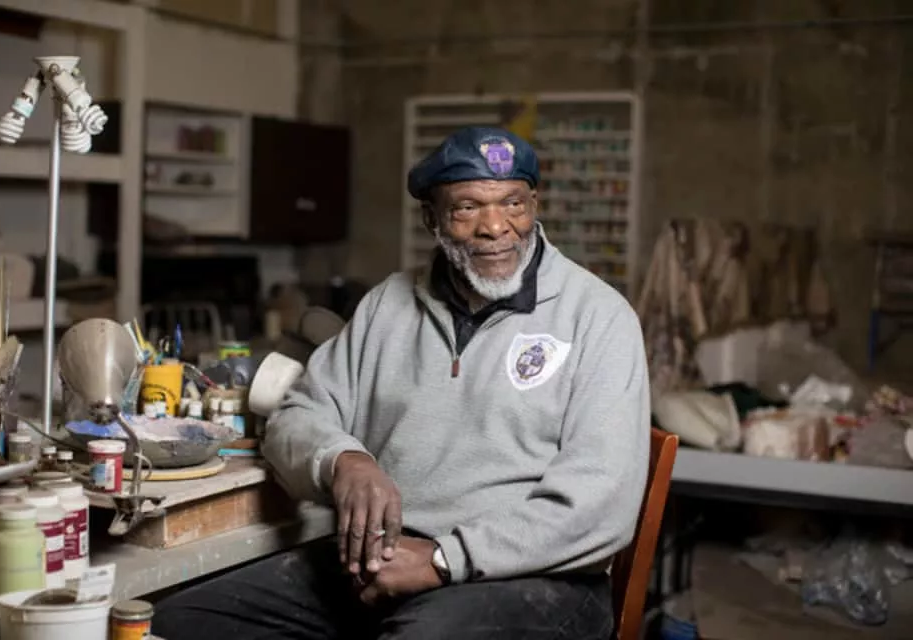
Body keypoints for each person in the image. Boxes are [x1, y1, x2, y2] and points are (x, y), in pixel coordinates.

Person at [152, 126, 650, 640]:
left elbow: (601, 505)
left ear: (534, 205)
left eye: (513, 204)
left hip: (533, 576)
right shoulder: (387, 305)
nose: (495, 227)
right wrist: (344, 461)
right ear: (431, 218)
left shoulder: (598, 317)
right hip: (384, 557)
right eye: (467, 208)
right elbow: (295, 416)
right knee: (178, 620)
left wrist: (442, 560)